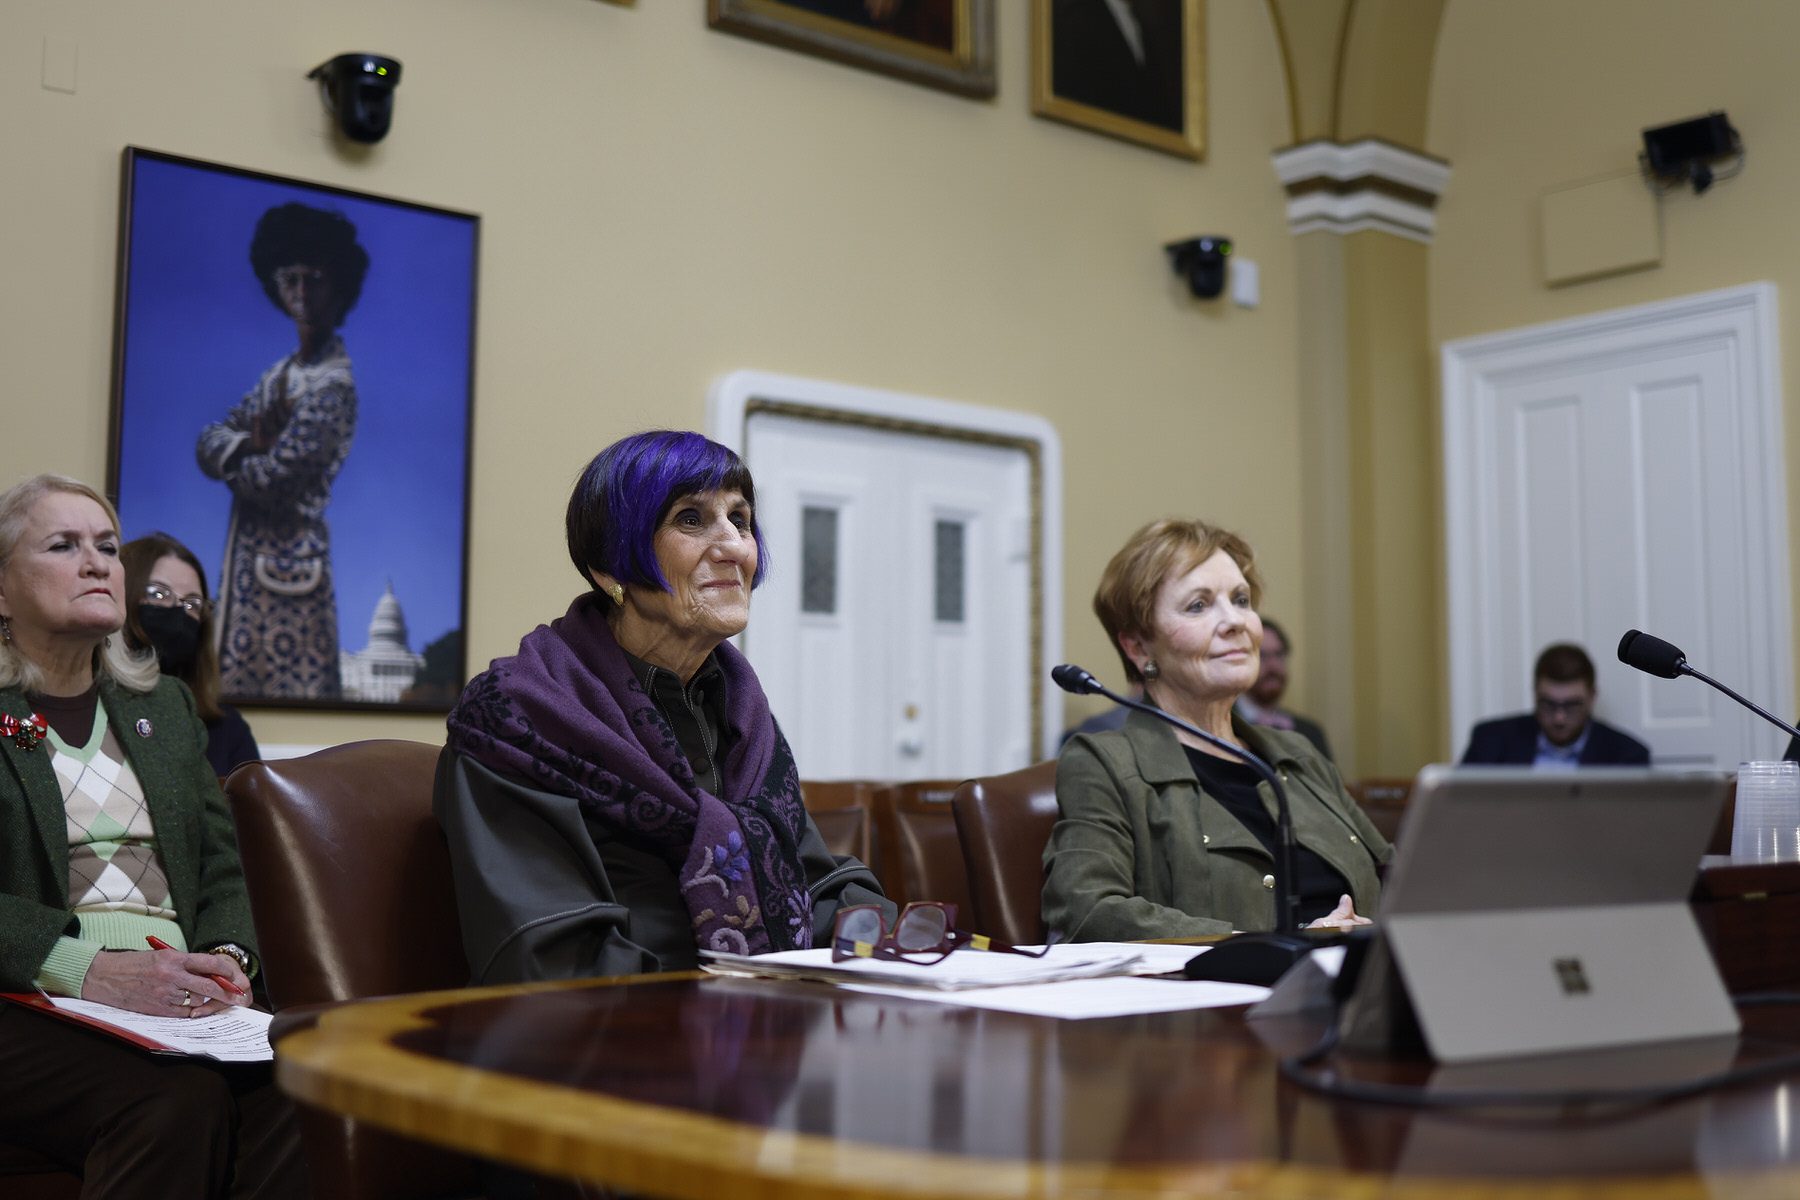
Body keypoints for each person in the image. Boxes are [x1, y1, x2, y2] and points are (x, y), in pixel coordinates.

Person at [437, 431, 891, 984]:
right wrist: (746, 1020)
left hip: (760, 1029)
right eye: (692, 519)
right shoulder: (518, 718)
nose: (734, 546)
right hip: (604, 1045)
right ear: (609, 570)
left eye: (741, 519)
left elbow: (813, 882)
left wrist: (903, 945)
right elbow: (550, 955)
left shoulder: (742, 716)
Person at [0, 474, 303, 1199]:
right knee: (173, 1102)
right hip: (29, 997)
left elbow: (226, 865)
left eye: (106, 546)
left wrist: (230, 959)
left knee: (313, 1087)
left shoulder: (161, 707)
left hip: (179, 1001)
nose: (98, 561)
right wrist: (86, 968)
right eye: (63, 545)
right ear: (3, 593)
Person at [1042, 517, 1389, 941]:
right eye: (1199, 606)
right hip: (1220, 1002)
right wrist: (1279, 948)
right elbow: (1087, 911)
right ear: (1138, 646)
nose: (1235, 622)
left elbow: (1394, 873)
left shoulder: (1297, 753)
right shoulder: (1104, 764)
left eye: (1241, 600)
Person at [197, 201, 368, 701]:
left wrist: (243, 458)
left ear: (338, 287)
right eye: (290, 278)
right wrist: (252, 444)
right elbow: (208, 441)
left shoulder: (334, 387)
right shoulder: (279, 376)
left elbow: (272, 480)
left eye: (313, 278)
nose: (301, 291)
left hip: (293, 574)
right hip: (251, 572)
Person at [121, 532, 261, 776]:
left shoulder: (226, 728)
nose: (177, 611)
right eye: (158, 594)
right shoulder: (87, 710)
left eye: (192, 604)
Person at [1460, 642, 1650, 767]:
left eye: (1572, 705)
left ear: (1592, 697)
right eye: (1548, 705)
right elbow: (1458, 813)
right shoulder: (1490, 742)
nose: (1559, 718)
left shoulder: (1627, 756)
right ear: (1535, 694)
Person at [1234, 616, 1334, 761]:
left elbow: (1331, 783)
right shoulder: (1225, 730)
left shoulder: (1310, 732)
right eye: (1262, 655)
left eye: (1279, 654)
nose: (1274, 666)